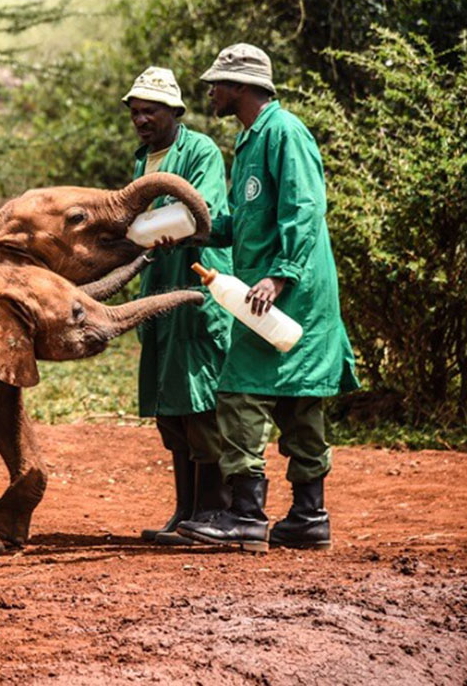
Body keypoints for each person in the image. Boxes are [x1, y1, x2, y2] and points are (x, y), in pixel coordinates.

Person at [177, 44, 359, 552]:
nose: (210, 91)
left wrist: (281, 277)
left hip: (291, 293)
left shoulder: (284, 132)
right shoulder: (249, 141)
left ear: (241, 86)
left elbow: (305, 209)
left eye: (217, 83)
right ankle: (308, 516)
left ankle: (247, 515)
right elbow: (248, 224)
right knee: (301, 402)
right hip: (275, 290)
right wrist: (195, 231)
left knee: (238, 392)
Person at [122, 67, 233, 546]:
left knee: (199, 401)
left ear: (175, 112)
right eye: (135, 112)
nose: (142, 120)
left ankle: (214, 511)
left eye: (151, 111)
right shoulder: (142, 160)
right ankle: (185, 511)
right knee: (169, 404)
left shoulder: (200, 151)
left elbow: (198, 213)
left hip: (195, 286)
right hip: (158, 290)